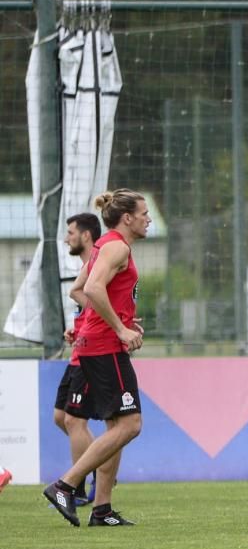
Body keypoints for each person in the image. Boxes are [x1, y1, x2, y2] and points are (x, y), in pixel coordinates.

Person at [43, 188, 149, 527]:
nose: (148, 219)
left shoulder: (107, 246)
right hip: (104, 346)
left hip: (96, 343)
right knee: (130, 425)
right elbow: (91, 289)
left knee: (118, 426)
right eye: (144, 214)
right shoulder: (117, 245)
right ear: (127, 218)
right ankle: (65, 486)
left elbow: (81, 290)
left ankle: (101, 510)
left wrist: (121, 319)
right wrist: (119, 328)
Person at [54, 212, 102, 506]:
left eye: (70, 232)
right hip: (78, 353)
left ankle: (76, 490)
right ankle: (102, 462)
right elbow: (93, 313)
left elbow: (103, 307)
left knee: (74, 421)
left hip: (90, 356)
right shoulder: (88, 267)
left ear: (86, 235)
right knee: (61, 418)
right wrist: (77, 328)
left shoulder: (99, 266)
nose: (66, 238)